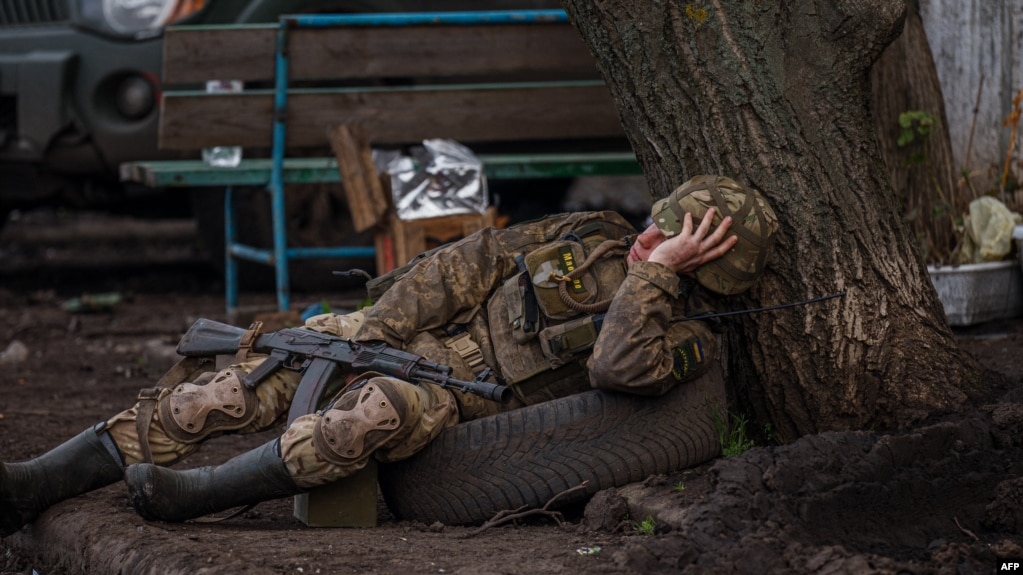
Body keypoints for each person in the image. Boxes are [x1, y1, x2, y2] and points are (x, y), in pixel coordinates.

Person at [0, 175, 777, 534]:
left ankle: (191, 495)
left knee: (363, 418)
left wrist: (650, 280)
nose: (645, 239)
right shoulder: (589, 231)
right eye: (656, 225)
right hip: (411, 337)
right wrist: (379, 326)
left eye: (669, 241)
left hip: (469, 400)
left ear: (699, 268)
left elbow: (614, 370)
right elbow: (465, 263)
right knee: (227, 390)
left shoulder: (684, 341)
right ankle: (39, 482)